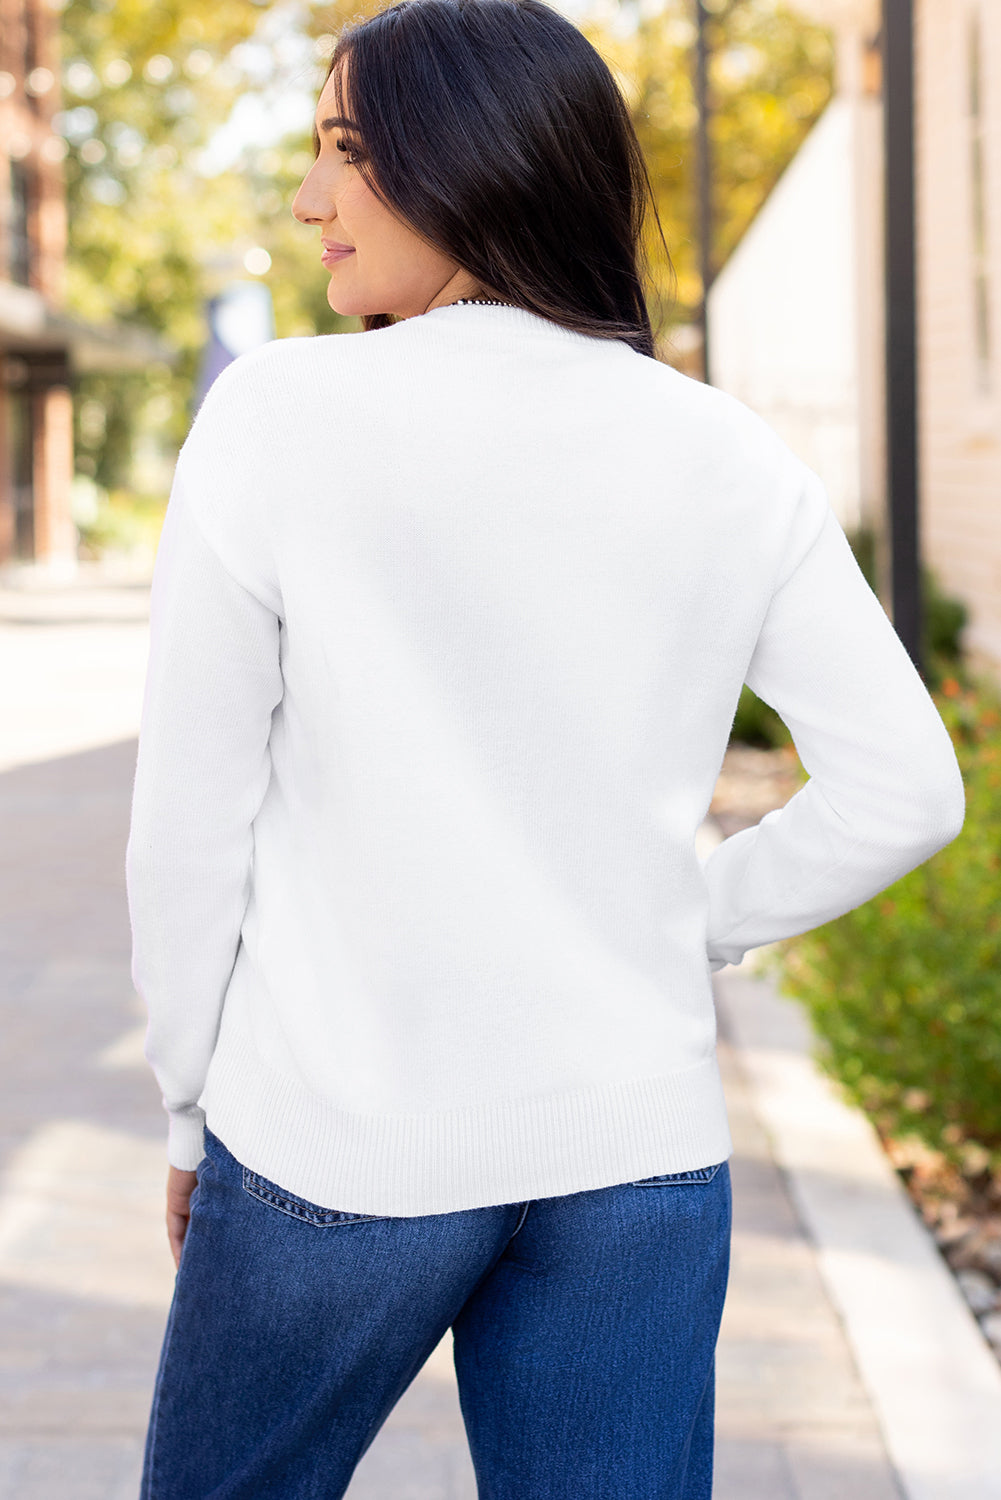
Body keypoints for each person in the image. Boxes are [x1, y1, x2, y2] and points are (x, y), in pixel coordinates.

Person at [124, 1, 965, 1495]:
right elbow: (905, 790)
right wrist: (679, 922)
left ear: (471, 161)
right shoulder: (724, 452)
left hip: (331, 1137)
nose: (309, 199)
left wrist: (190, 1103)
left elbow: (190, 825)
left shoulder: (276, 418)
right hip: (633, 1153)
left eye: (345, 152)